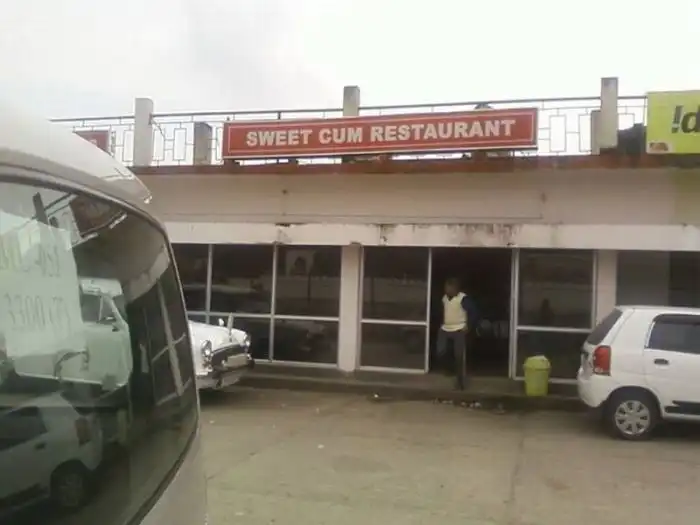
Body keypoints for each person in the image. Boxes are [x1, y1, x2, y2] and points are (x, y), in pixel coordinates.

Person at [436, 278, 478, 389]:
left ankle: (460, 382)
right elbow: (443, 311)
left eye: (449, 288)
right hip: (445, 329)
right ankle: (450, 369)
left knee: (459, 356)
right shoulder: (444, 298)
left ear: (456, 288)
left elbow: (473, 313)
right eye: (446, 288)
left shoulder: (463, 299)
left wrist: (468, 326)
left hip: (459, 329)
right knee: (440, 351)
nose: (447, 290)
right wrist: (441, 323)